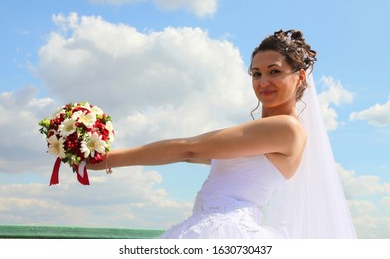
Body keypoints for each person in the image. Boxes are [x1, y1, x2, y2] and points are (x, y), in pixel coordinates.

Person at [87, 29, 357, 238]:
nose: (263, 82)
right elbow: (189, 156)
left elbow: (189, 147)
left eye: (274, 72)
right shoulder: (266, 133)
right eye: (256, 73)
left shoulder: (286, 128)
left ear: (300, 77)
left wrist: (107, 159)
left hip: (225, 231)